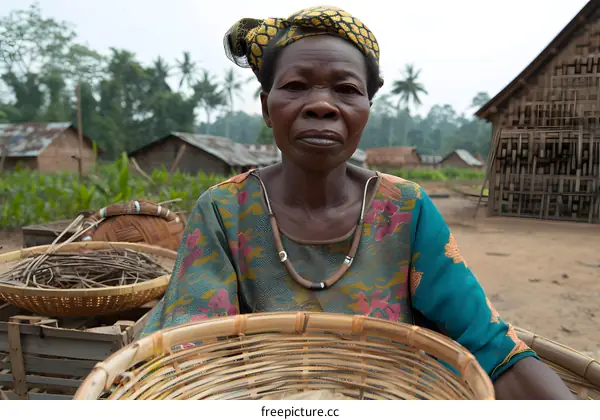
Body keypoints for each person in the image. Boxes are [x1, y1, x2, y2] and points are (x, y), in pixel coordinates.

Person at [141, 6, 574, 400]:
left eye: (346, 90)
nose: (322, 106)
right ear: (266, 107)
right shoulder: (224, 210)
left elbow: (489, 345)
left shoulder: (405, 209)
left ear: (368, 106)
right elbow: (189, 355)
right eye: (295, 86)